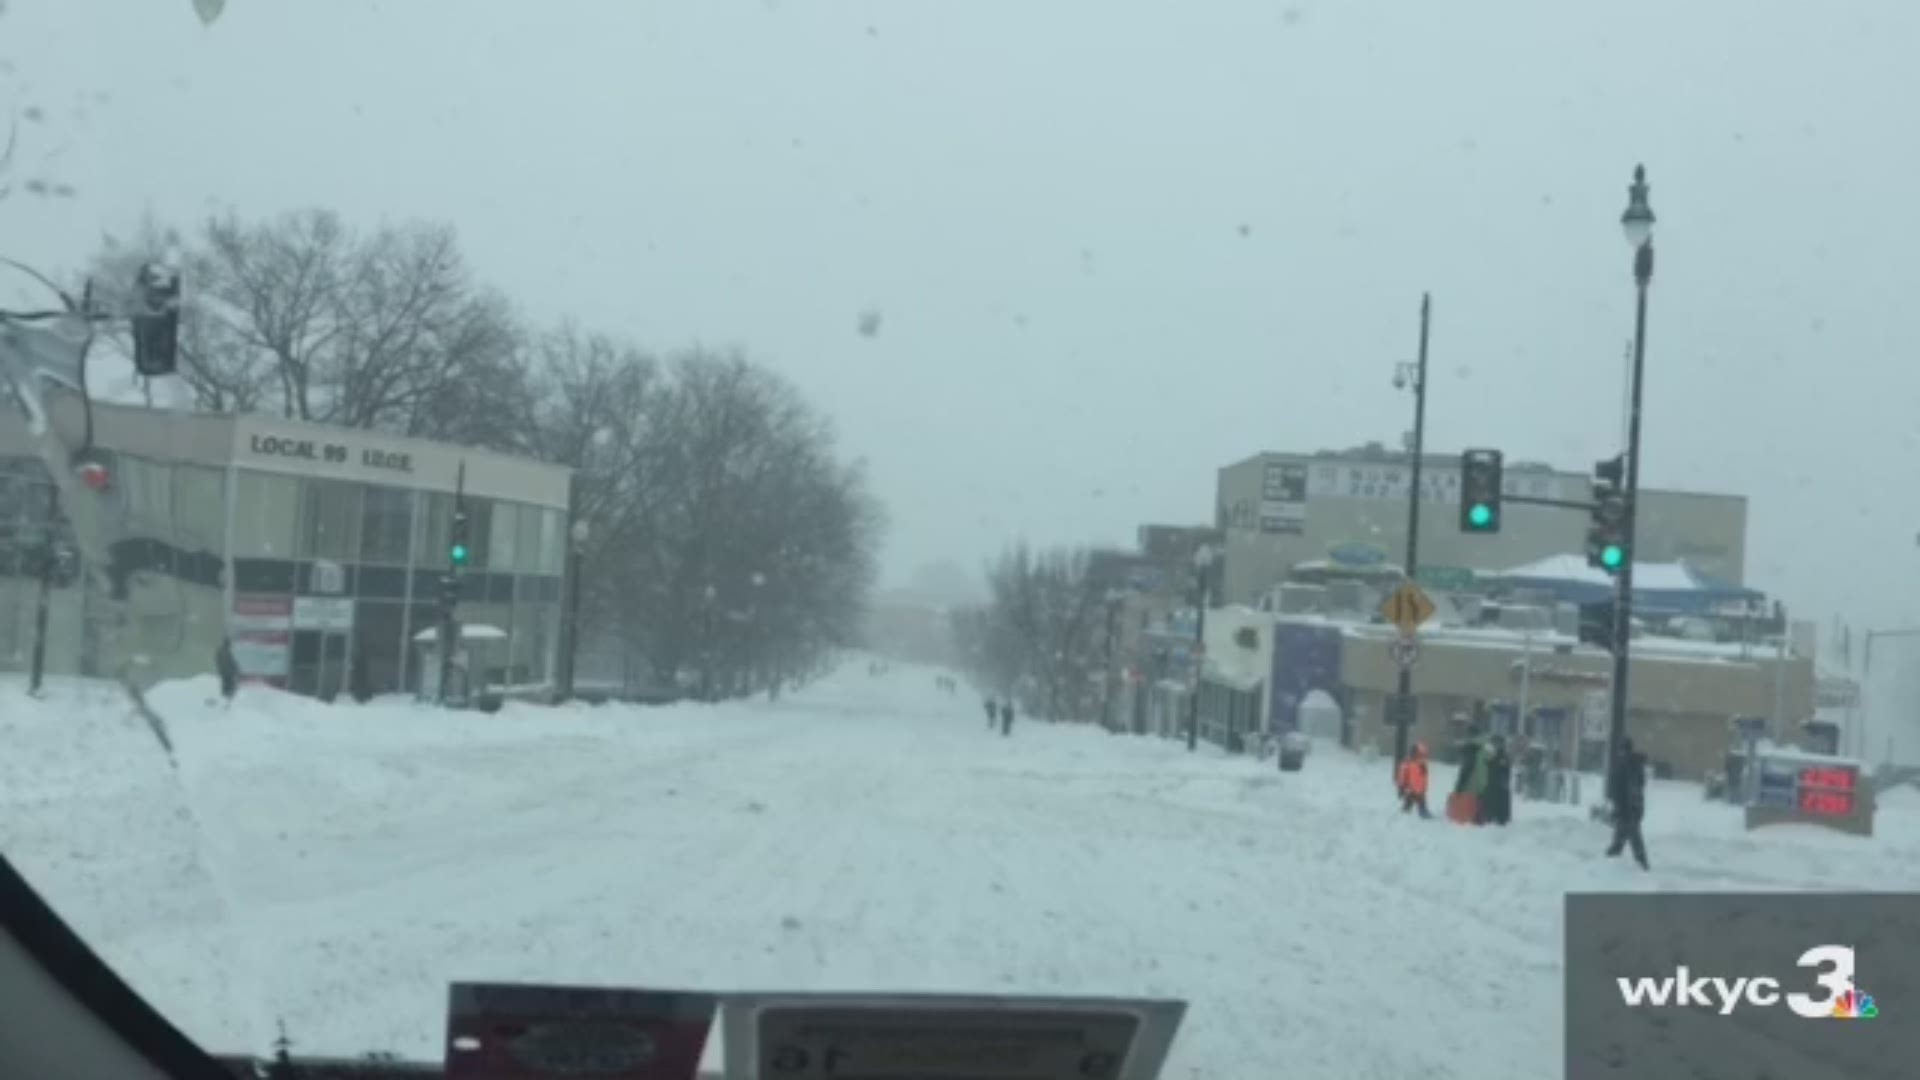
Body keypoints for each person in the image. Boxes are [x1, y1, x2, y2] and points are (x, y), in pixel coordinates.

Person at [1605, 737, 1651, 869]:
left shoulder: (1624, 765)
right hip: (1634, 808)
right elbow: (1638, 787)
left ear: (1622, 750)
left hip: (1626, 809)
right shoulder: (1636, 765)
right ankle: (1610, 863)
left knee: (1630, 838)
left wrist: (1619, 807)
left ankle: (1643, 866)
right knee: (1623, 838)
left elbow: (1619, 790)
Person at [1396, 742, 1431, 819]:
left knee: (1421, 802)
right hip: (1410, 788)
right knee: (1409, 802)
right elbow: (1402, 777)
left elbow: (1424, 778)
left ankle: (1422, 813)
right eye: (1420, 755)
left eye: (1423, 755)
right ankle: (1405, 814)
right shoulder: (1407, 764)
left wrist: (1424, 787)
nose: (1422, 757)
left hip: (1420, 789)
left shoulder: (1423, 765)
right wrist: (1401, 788)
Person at [1484, 735, 1513, 826]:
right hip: (1493, 783)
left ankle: (1498, 818)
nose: (1495, 745)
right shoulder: (1493, 755)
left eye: (1497, 743)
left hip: (1499, 784)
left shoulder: (1502, 756)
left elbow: (1505, 770)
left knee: (1499, 803)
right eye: (1494, 743)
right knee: (1493, 802)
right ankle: (1492, 817)